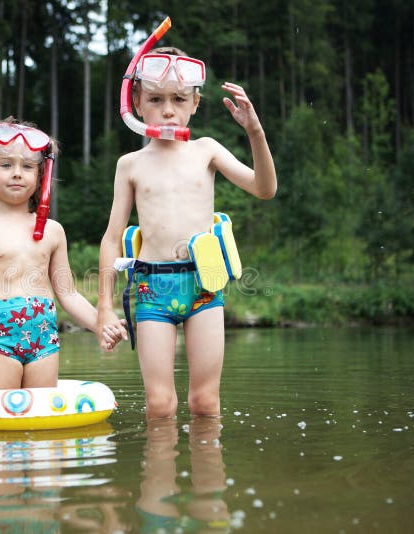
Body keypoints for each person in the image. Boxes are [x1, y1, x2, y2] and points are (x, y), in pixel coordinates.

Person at [97, 47, 277, 419]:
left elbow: (264, 188)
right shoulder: (130, 165)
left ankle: (210, 477)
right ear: (136, 102)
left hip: (203, 287)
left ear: (195, 102)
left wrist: (254, 131)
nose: (167, 110)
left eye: (178, 99)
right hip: (152, 290)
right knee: (160, 406)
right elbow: (112, 238)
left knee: (205, 403)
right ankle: (160, 476)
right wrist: (104, 305)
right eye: (156, 99)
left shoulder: (205, 151)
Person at [0, 118, 125, 404]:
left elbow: (68, 293)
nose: (17, 174)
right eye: (6, 165)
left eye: (27, 167)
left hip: (44, 337)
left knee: (39, 418)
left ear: (41, 176)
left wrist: (100, 324)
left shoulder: (53, 231)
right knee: (3, 417)